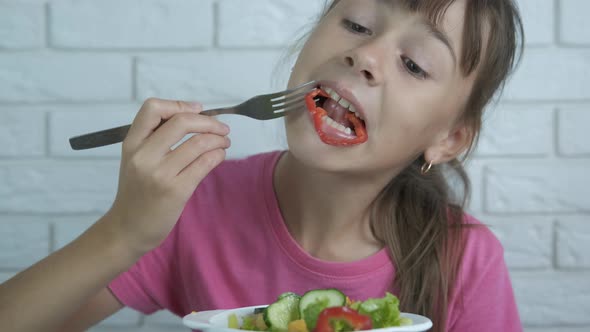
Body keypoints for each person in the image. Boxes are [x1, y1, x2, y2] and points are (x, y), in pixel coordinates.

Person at [0, 0, 525, 331]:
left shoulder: (466, 260)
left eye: (414, 63)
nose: (366, 55)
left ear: (449, 137)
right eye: (357, 23)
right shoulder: (195, 202)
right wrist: (124, 231)